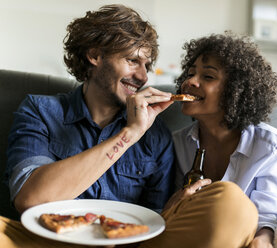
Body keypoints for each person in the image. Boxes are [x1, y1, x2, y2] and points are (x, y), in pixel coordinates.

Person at [1, 4, 175, 247]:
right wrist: (129, 134)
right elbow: (30, 199)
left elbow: (155, 225)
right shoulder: (39, 111)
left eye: (146, 65)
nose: (143, 76)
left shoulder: (156, 134)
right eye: (132, 60)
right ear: (95, 56)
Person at [162, 33, 277, 248]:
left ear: (235, 91)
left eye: (208, 77)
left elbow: (268, 215)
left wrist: (264, 239)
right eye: (191, 73)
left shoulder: (270, 146)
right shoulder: (176, 143)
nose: (190, 82)